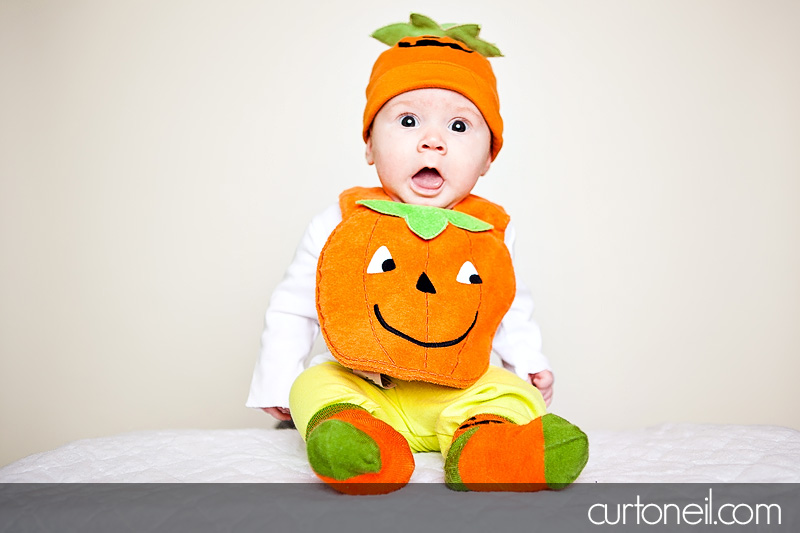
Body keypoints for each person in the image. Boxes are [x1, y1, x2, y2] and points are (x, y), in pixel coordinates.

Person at [247, 15, 586, 493]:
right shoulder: (343, 221)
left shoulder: (489, 231)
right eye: (408, 121)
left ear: (489, 157)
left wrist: (528, 363)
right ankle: (360, 442)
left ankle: (487, 448)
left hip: (458, 390)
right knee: (314, 385)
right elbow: (295, 303)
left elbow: (506, 305)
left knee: (512, 395)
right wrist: (278, 377)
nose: (433, 140)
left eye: (459, 125)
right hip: (368, 388)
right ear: (369, 144)